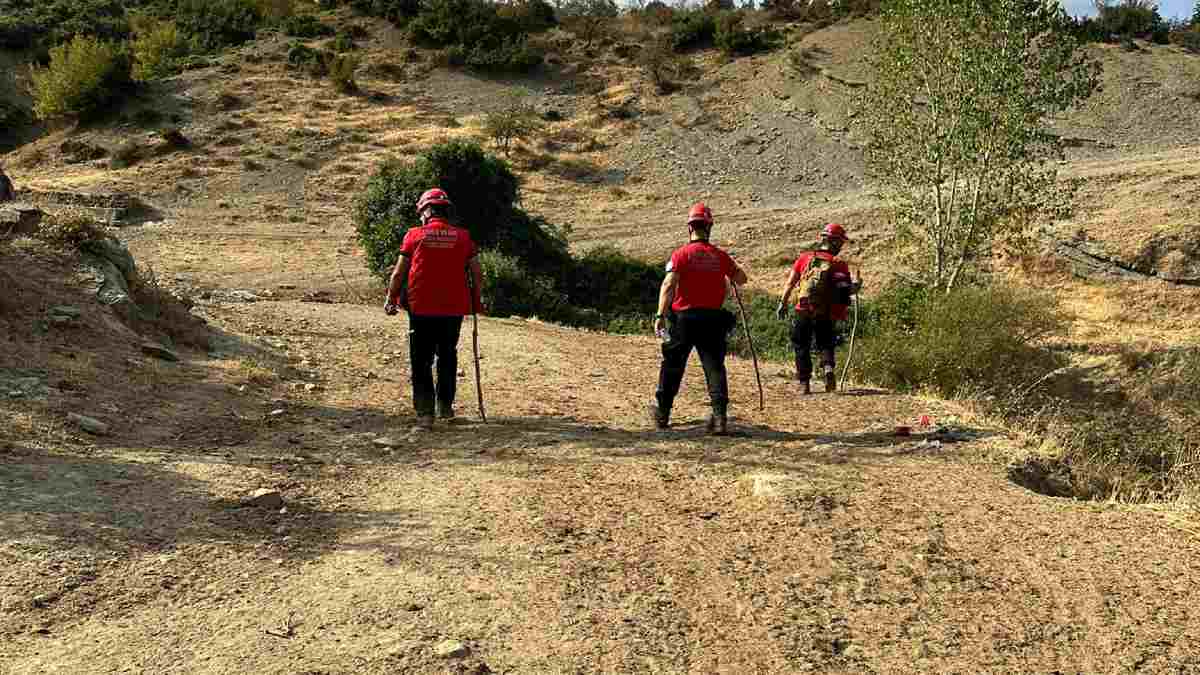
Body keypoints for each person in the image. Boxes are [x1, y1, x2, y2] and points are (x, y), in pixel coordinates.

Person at [385, 188, 483, 430]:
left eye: (421, 212)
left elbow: (399, 273)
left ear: (427, 211)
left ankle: (425, 415)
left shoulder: (414, 235)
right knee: (447, 355)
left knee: (421, 360)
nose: (421, 216)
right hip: (454, 308)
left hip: (421, 307)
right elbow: (477, 273)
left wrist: (391, 298)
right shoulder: (463, 237)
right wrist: (476, 301)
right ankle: (445, 409)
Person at [650, 203, 749, 436]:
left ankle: (663, 414)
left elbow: (668, 285)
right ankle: (720, 418)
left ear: (690, 228)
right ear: (709, 227)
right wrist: (731, 268)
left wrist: (660, 315)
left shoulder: (680, 255)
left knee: (673, 365)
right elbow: (742, 278)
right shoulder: (720, 256)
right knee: (714, 367)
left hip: (683, 319)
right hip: (712, 320)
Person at [775, 223, 859, 394]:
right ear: (835, 242)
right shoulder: (839, 263)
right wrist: (857, 287)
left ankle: (804, 383)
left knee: (801, 345)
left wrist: (783, 303)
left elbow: (790, 283)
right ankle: (828, 369)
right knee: (825, 343)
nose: (841, 246)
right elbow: (845, 291)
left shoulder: (805, 258)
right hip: (825, 311)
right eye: (841, 242)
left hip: (803, 308)